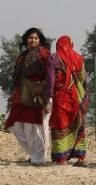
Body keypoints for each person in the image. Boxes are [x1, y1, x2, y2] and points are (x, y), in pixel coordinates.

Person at [4, 27, 52, 166]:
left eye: (36, 38)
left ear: (40, 40)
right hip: (21, 94)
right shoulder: (22, 56)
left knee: (33, 127)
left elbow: (50, 75)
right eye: (30, 38)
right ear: (26, 39)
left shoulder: (44, 54)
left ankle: (38, 159)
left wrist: (43, 92)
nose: (33, 40)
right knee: (14, 124)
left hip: (36, 95)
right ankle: (34, 154)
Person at [45, 35, 89, 166]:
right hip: (75, 96)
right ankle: (80, 157)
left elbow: (50, 80)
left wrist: (47, 96)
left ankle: (61, 158)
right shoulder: (78, 58)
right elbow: (82, 79)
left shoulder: (53, 58)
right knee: (77, 124)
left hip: (60, 96)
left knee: (60, 125)